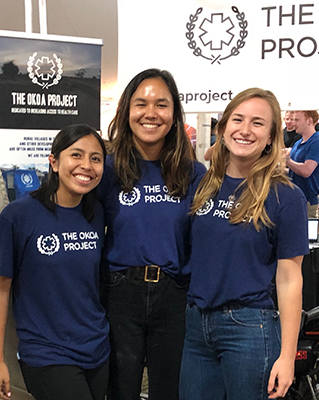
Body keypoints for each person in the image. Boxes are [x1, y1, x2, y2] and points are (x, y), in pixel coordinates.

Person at [180, 88, 307, 400]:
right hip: (197, 325)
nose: (245, 130)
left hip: (249, 328)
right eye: (238, 119)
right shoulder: (202, 184)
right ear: (223, 129)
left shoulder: (285, 197)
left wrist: (287, 356)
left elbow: (290, 280)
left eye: (258, 123)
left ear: (271, 136)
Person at [100, 68, 206, 400]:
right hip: (120, 294)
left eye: (161, 104)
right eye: (141, 103)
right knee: (121, 390)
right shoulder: (106, 169)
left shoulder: (192, 173)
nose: (150, 113)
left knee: (170, 392)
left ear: (174, 115)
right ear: (126, 112)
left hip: (174, 296)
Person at [0, 125, 110, 400]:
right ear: (54, 162)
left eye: (95, 159)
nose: (86, 166)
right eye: (76, 155)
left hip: (97, 348)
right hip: (47, 353)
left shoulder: (96, 213)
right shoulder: (18, 216)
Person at [286, 110, 319, 219]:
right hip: (294, 198)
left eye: (297, 120)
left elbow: (306, 171)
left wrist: (286, 161)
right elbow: (294, 171)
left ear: (309, 121)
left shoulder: (317, 143)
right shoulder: (298, 143)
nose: (293, 123)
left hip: (307, 200)